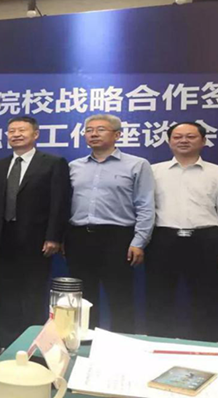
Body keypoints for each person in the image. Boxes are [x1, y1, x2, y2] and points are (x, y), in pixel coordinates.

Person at [0, 116, 71, 359]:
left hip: (37, 240)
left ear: (35, 134)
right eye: (11, 131)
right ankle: (6, 344)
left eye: (22, 130)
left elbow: (59, 202)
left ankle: (32, 346)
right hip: (4, 238)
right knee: (5, 294)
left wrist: (53, 236)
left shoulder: (52, 163)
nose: (16, 134)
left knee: (33, 293)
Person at [146, 121, 218, 341]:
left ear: (203, 141)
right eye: (177, 137)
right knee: (158, 300)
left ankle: (204, 348)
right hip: (163, 240)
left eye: (190, 136)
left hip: (205, 240)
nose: (183, 141)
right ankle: (158, 347)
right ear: (169, 141)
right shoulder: (153, 171)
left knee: (206, 300)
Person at [66, 114, 155, 334]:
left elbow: (145, 205)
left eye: (100, 129)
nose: (93, 134)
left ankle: (121, 344)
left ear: (117, 135)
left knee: (120, 296)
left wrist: (139, 242)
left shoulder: (137, 165)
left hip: (117, 238)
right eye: (89, 130)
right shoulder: (74, 166)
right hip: (79, 237)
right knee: (83, 298)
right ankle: (84, 341)